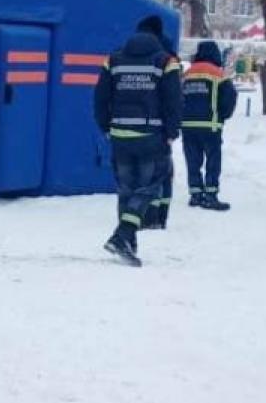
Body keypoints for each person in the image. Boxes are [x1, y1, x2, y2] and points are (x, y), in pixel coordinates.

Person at [93, 25, 182, 266]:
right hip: (151, 134)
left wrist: (105, 126)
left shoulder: (113, 60)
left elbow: (100, 96)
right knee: (149, 186)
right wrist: (172, 131)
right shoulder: (165, 62)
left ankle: (129, 242)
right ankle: (123, 235)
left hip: (120, 134)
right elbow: (173, 99)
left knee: (126, 188)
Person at [181, 40, 238, 211]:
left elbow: (177, 97)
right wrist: (223, 115)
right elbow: (229, 97)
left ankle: (195, 194)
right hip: (210, 125)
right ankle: (211, 195)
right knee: (213, 160)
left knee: (193, 160)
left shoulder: (187, 74)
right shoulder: (218, 75)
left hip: (188, 125)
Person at [135, 15, 180, 229]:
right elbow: (174, 97)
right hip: (161, 124)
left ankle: (147, 215)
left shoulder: (137, 53)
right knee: (163, 171)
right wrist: (172, 129)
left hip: (141, 122)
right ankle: (160, 216)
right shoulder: (170, 56)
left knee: (144, 171)